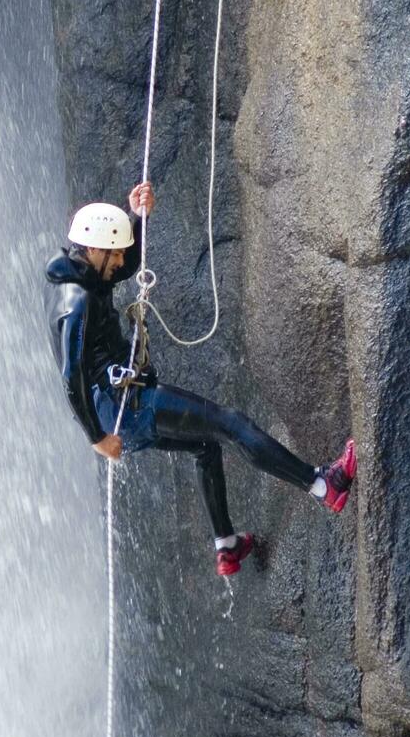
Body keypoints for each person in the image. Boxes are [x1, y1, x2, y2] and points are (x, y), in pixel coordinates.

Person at [45, 180, 357, 576]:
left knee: (206, 447)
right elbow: (71, 376)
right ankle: (325, 486)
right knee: (231, 423)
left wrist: (136, 220)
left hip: (119, 408)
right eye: (116, 252)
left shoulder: (83, 271)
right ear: (94, 249)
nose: (123, 260)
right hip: (125, 407)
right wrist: (98, 439)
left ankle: (227, 545)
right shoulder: (76, 302)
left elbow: (124, 266)